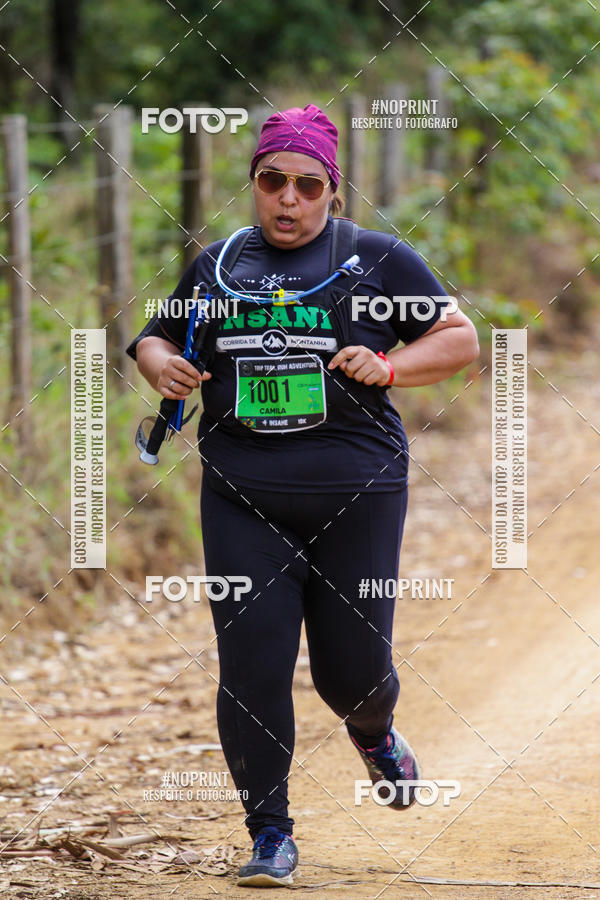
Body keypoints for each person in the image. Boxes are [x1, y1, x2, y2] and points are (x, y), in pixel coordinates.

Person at [127, 103, 479, 888]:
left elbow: (459, 338)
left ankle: (374, 731)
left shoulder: (375, 260)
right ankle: (270, 834)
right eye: (272, 180)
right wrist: (160, 366)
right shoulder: (219, 266)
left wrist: (390, 367)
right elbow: (156, 336)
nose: (288, 198)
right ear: (254, 182)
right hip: (242, 495)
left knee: (350, 677)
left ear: (333, 191)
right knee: (251, 665)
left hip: (358, 493)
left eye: (307, 185)